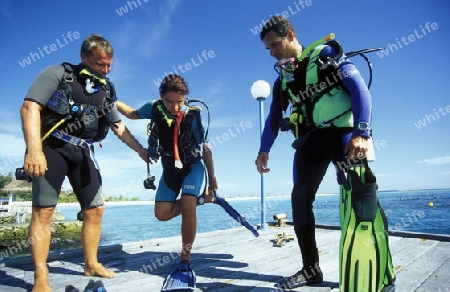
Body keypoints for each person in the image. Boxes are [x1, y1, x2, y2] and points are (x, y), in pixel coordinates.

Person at [254, 16, 395, 290]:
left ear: (291, 35)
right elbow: (273, 118)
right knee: (300, 203)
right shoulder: (283, 81)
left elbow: (360, 91)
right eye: (268, 49)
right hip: (311, 143)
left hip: (347, 137)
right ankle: (310, 270)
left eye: (275, 44)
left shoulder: (326, 55)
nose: (272, 52)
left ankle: (381, 271)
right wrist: (263, 150)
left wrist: (362, 133)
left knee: (364, 204)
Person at [20, 34, 147, 292]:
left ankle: (91, 263)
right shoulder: (58, 74)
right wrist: (34, 151)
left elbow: (118, 126)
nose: (106, 70)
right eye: (101, 64)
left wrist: (141, 151)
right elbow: (29, 107)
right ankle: (41, 277)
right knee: (44, 212)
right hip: (53, 147)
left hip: (84, 151)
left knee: (95, 210)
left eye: (110, 65)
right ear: (84, 57)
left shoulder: (106, 89)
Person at [116, 74, 218, 289]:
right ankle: (201, 200)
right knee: (161, 214)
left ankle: (185, 259)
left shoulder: (193, 115)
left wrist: (213, 181)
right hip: (170, 170)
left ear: (185, 98)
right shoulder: (153, 108)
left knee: (188, 204)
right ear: (161, 97)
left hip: (192, 167)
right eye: (169, 101)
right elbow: (131, 114)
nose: (174, 107)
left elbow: (206, 149)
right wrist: (111, 100)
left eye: (179, 102)